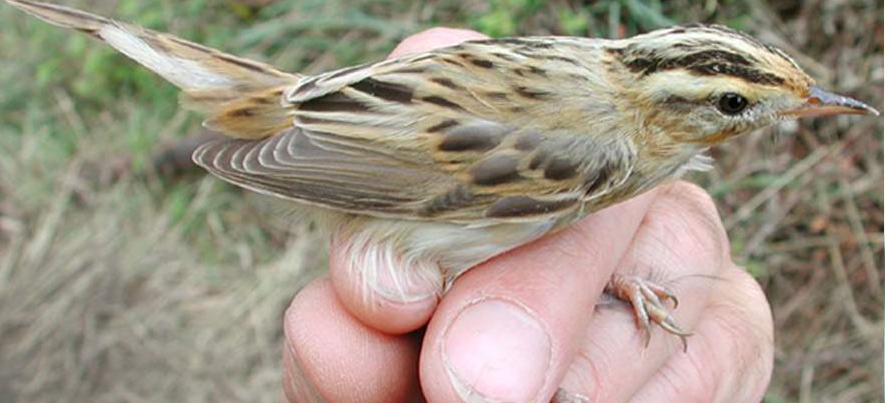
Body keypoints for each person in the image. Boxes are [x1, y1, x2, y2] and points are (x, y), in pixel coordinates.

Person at [281, 28, 774, 403]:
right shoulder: (601, 151)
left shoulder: (603, 100)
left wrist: (616, 281)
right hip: (363, 148)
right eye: (736, 105)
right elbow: (431, 178)